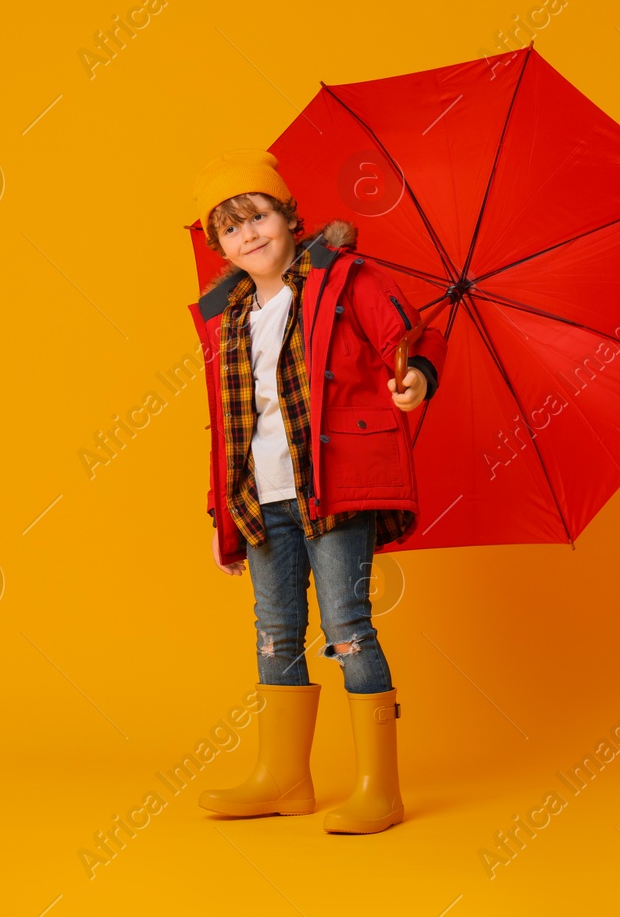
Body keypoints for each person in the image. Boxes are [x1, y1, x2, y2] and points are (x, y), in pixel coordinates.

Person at [186, 149, 445, 834]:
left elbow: (414, 333)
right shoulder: (229, 315)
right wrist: (222, 512)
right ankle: (285, 776)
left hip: (336, 485)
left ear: (288, 217)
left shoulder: (344, 277)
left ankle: (378, 788)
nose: (249, 235)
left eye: (259, 215)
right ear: (219, 245)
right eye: (231, 227)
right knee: (275, 633)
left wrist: (414, 372)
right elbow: (228, 424)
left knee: (348, 628)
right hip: (260, 494)